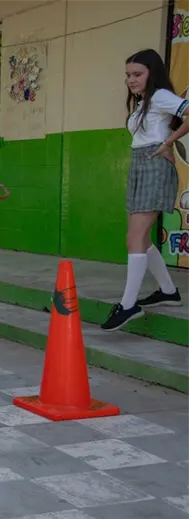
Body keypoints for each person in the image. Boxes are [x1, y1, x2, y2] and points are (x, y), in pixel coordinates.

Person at [101, 49, 189, 331]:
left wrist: (168, 143)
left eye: (137, 74)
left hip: (154, 166)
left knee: (134, 237)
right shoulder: (143, 103)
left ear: (153, 73)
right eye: (128, 75)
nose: (131, 80)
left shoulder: (161, 96)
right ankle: (167, 291)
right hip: (140, 165)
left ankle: (128, 305)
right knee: (139, 237)